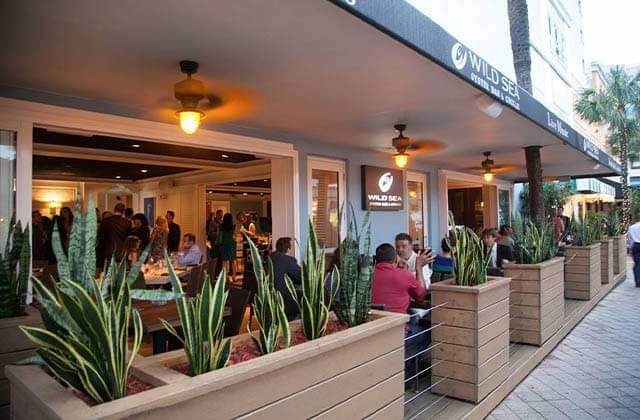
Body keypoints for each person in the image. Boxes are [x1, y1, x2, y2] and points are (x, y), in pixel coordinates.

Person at [371, 243, 428, 314]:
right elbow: (420, 297)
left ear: (376, 260)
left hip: (372, 323)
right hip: (398, 323)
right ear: (396, 259)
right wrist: (419, 267)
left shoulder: (368, 275)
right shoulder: (404, 275)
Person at [270, 237, 302, 320]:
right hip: (285, 299)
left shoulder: (271, 258)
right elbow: (301, 277)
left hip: (271, 298)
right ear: (288, 249)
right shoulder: (288, 260)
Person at [97, 203, 131, 267]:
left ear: (114, 210)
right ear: (123, 211)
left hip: (108, 252)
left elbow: (101, 237)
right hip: (122, 253)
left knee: (108, 274)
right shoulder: (127, 223)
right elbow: (128, 239)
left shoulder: (105, 221)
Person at [218, 213, 237, 282]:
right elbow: (234, 236)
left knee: (224, 262)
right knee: (233, 260)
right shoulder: (233, 226)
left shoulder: (221, 226)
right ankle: (234, 276)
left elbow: (219, 236)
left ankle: (225, 277)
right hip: (231, 244)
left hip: (224, 244)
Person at [628, 211, 640, 287]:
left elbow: (630, 239)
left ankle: (638, 282)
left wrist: (631, 248)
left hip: (636, 245)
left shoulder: (632, 227)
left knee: (637, 264)